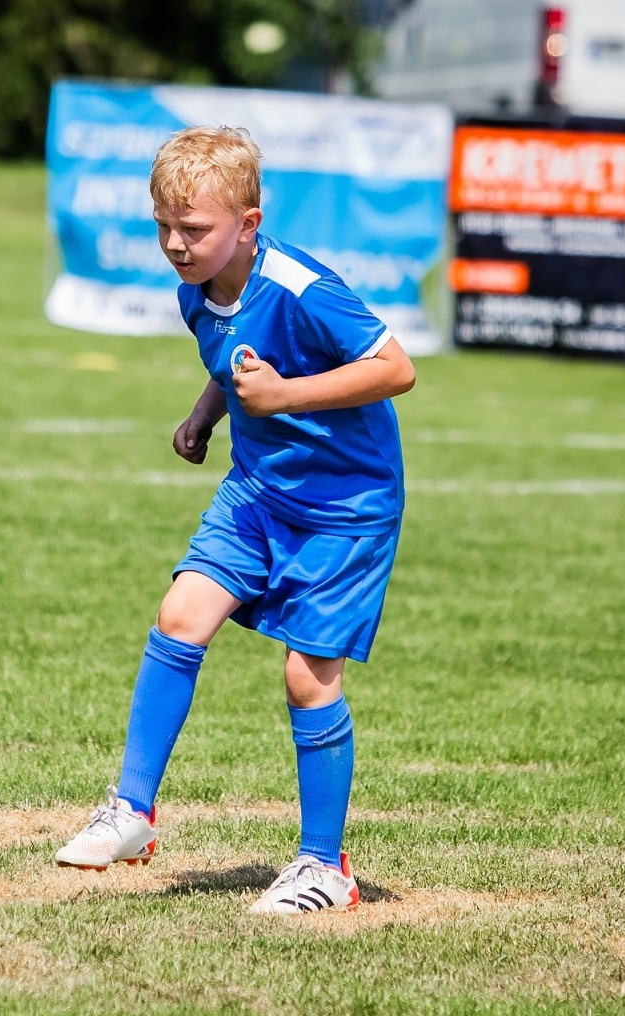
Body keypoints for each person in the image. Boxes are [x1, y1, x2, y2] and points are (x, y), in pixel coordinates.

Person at [52, 126, 416, 915]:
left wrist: (286, 396)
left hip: (344, 507)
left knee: (305, 676)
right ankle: (133, 812)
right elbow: (234, 358)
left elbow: (396, 367)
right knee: (181, 613)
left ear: (248, 225)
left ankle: (326, 866)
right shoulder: (197, 290)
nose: (177, 246)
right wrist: (204, 412)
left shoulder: (301, 285)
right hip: (256, 491)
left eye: (195, 230)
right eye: (164, 227)